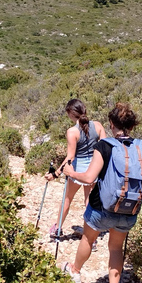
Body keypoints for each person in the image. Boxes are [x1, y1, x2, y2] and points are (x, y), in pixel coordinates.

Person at [60, 103, 142, 283]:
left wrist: (70, 172)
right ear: (131, 125)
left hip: (101, 208)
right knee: (115, 248)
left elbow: (89, 177)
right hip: (130, 209)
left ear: (111, 124)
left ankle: (75, 271)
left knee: (88, 238)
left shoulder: (105, 146)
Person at [45, 99, 106, 239]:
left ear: (71, 114)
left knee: (67, 199)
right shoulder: (98, 126)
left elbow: (70, 157)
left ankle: (58, 228)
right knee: (89, 202)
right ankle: (92, 235)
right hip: (94, 168)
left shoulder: (72, 132)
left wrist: (55, 174)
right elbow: (104, 148)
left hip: (78, 169)